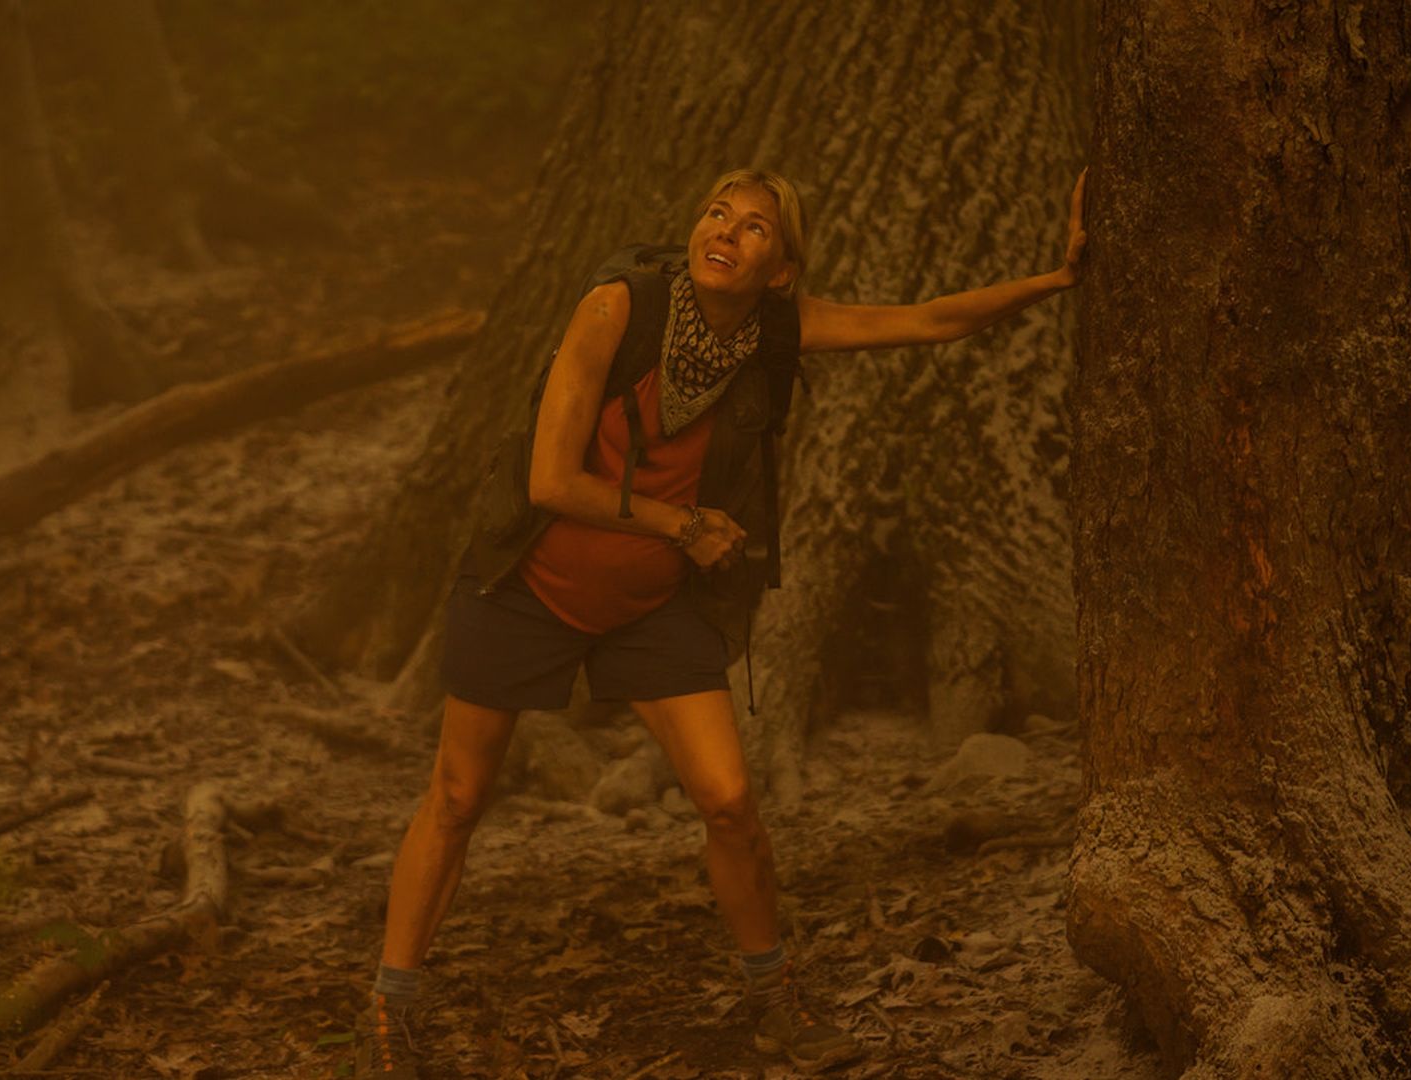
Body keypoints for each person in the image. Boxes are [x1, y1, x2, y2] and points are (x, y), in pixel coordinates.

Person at [353, 166, 1090, 1076]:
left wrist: (1055, 281)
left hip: (647, 607)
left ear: (780, 270)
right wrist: (684, 524)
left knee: (733, 803)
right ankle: (390, 1015)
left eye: (753, 228)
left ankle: (774, 1004)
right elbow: (550, 481)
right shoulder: (615, 311)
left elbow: (927, 318)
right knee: (459, 800)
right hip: (524, 588)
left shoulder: (774, 331)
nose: (726, 232)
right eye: (716, 214)